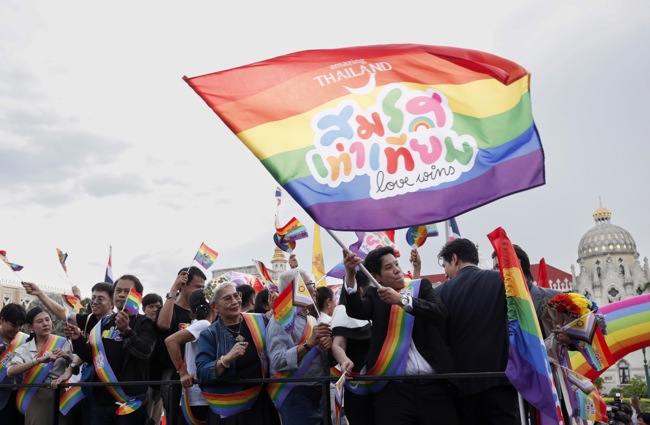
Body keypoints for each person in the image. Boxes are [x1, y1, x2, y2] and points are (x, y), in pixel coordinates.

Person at [341, 246, 458, 425]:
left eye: (396, 264)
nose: (397, 270)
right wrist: (350, 274)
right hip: (394, 392)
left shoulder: (420, 287)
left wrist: (401, 300)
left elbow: (439, 314)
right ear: (376, 277)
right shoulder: (376, 295)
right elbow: (356, 310)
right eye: (389, 267)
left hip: (434, 389)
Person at [435, 238, 519, 425]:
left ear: (454, 259)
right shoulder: (501, 280)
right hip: (501, 380)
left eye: (445, 265)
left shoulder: (441, 292)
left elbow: (440, 340)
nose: (445, 272)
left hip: (462, 385)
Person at [67, 274, 156, 425]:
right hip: (101, 401)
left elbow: (145, 351)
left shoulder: (144, 323)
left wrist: (127, 331)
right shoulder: (104, 323)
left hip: (130, 401)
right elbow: (91, 357)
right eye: (118, 290)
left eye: (127, 291)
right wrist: (78, 340)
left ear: (138, 296)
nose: (121, 294)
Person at [196, 282, 280, 425]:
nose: (235, 301)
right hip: (229, 411)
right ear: (215, 307)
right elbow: (202, 373)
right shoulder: (209, 334)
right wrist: (226, 359)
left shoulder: (260, 321)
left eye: (236, 296)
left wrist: (280, 308)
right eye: (227, 299)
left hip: (261, 406)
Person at [266, 268, 332, 425]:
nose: (315, 289)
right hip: (296, 394)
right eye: (310, 284)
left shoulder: (311, 319)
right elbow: (278, 360)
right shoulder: (280, 320)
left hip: (320, 391)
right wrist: (309, 343)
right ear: (296, 289)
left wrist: (327, 345)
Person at [8, 307, 78, 425]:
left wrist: (67, 357)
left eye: (47, 319)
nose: (45, 324)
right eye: (40, 321)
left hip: (59, 394)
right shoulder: (25, 348)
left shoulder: (63, 342)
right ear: (31, 327)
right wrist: (37, 361)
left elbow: (75, 369)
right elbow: (10, 371)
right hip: (35, 395)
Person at [157, 266, 207, 423]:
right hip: (174, 375)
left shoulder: (202, 314)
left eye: (203, 288)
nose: (201, 291)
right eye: (197, 287)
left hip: (196, 377)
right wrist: (173, 289)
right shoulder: (169, 308)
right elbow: (163, 325)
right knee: (176, 418)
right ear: (183, 285)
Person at [165, 289, 216, 424]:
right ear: (213, 306)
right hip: (199, 397)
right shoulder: (203, 325)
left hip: (196, 396)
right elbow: (170, 341)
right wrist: (183, 372)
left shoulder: (197, 324)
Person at [330, 270, 373, 425]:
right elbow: (338, 344)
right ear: (361, 289)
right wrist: (345, 361)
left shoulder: (378, 308)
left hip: (381, 382)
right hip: (358, 384)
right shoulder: (343, 310)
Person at [491, 244, 560, 332]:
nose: (496, 272)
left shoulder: (553, 297)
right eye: (494, 268)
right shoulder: (496, 304)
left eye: (498, 266)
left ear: (517, 264)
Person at [0, 303, 27, 425]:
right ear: (2, 320)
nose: (17, 329)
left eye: (20, 326)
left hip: (21, 397)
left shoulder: (24, 340)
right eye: (14, 325)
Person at [142, 293, 164, 425]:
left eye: (158, 306)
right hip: (144, 384)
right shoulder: (140, 327)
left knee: (156, 420)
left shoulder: (164, 327)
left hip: (160, 382)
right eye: (151, 306)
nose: (155, 309)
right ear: (143, 309)